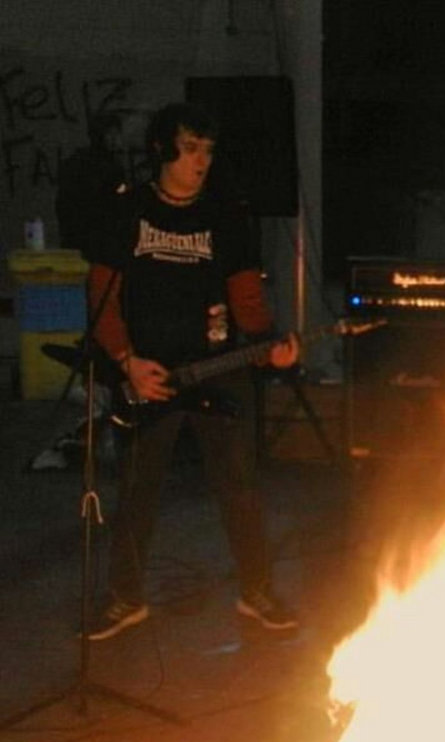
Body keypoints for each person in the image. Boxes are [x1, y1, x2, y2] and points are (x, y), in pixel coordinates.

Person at [86, 102, 300, 640]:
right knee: (137, 489)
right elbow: (101, 295)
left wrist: (269, 347)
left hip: (216, 368)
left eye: (207, 150)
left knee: (239, 484)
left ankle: (256, 591)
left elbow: (246, 298)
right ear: (162, 149)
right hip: (148, 373)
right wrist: (126, 361)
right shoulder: (128, 211)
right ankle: (125, 598)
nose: (200, 160)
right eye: (189, 149)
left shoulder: (226, 216)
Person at [56, 112, 129, 262]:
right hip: (100, 240)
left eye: (116, 133)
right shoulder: (110, 167)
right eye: (110, 134)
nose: (115, 138)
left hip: (79, 239)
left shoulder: (76, 162)